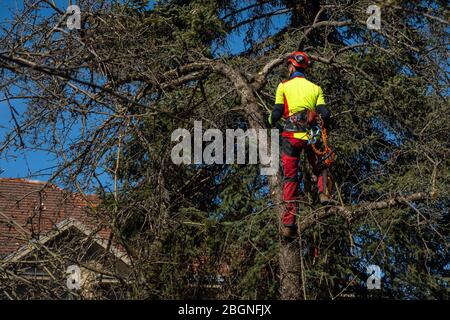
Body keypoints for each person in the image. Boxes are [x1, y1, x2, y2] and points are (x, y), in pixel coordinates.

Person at [268, 51, 332, 238]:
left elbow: (277, 112)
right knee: (320, 165)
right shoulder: (315, 88)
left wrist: (270, 120)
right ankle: (324, 193)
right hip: (311, 135)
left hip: (291, 136)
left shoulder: (283, 86)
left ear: (291, 67)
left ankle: (289, 221)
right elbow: (325, 114)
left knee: (290, 178)